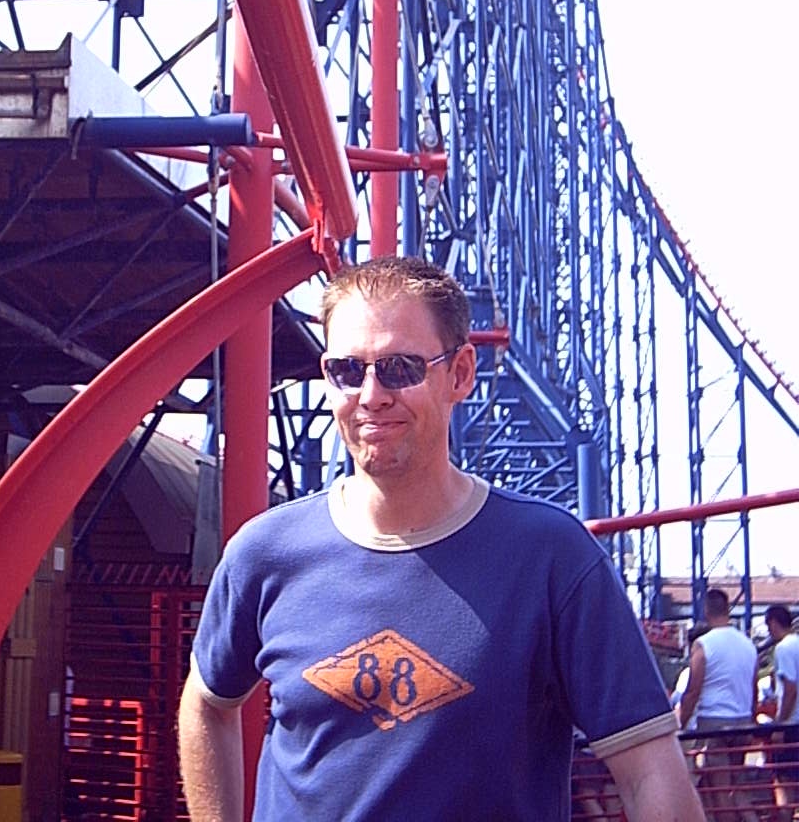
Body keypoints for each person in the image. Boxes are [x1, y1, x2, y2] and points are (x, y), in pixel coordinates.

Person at [178, 256, 703, 821]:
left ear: (460, 374)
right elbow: (206, 704)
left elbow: (649, 771)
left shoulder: (552, 557)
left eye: (399, 368)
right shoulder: (264, 553)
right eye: (347, 371)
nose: (371, 395)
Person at [679, 588, 759, 820]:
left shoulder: (703, 644)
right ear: (728, 609)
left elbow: (692, 691)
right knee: (736, 786)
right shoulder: (748, 644)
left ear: (706, 610)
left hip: (714, 723)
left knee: (719, 790)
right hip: (743, 721)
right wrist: (752, 719)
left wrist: (681, 725)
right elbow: (753, 688)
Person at [765, 603, 799, 811]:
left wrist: (780, 725)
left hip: (792, 723)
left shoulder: (783, 648)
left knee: (783, 780)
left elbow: (790, 689)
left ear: (773, 623)